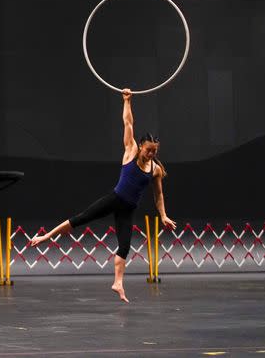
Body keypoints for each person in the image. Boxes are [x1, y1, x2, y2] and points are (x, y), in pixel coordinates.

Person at [29, 88, 176, 302]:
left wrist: (163, 216)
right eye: (148, 150)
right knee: (81, 218)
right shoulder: (131, 152)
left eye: (154, 150)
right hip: (114, 200)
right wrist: (127, 101)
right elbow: (128, 123)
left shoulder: (155, 169)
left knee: (125, 246)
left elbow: (159, 195)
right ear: (141, 147)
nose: (151, 153)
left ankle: (118, 283)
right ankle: (46, 236)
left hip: (128, 209)